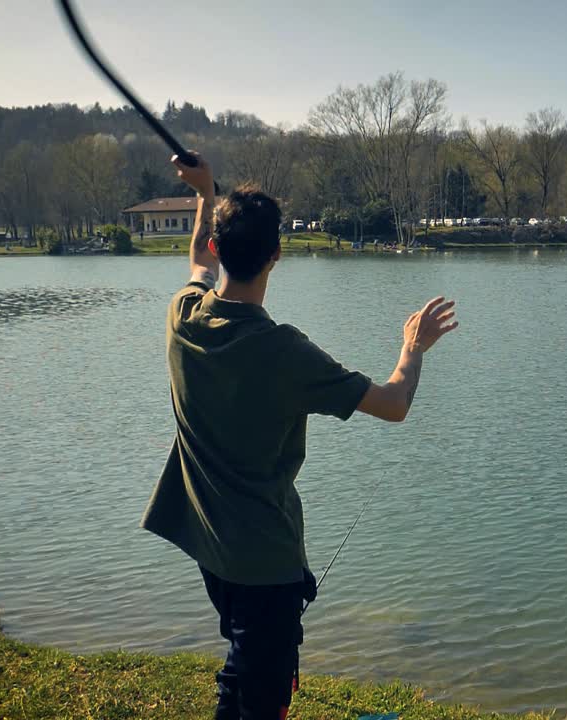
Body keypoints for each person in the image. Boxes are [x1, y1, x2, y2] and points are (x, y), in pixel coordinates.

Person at [140, 151, 458, 720]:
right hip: (266, 565)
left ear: (218, 247)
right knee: (263, 698)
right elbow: (393, 405)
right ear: (277, 255)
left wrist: (205, 195)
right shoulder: (285, 352)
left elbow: (195, 263)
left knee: (240, 667)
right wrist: (412, 350)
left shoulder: (182, 316)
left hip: (210, 551)